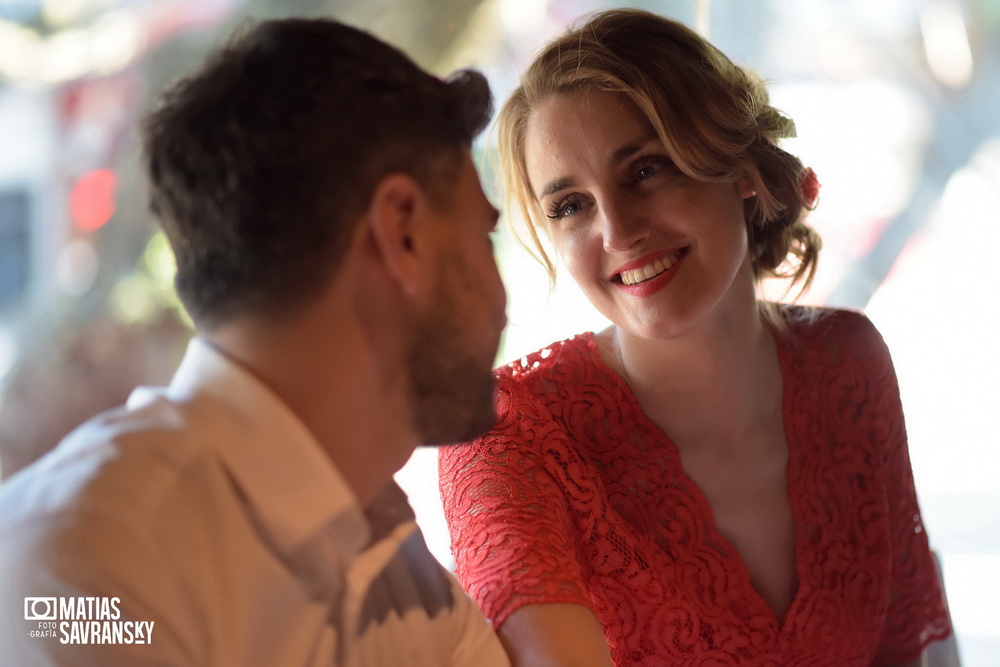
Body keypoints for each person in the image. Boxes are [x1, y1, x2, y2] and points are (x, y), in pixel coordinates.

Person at [439, 9, 952, 666]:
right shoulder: (508, 436)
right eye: (571, 205)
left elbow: (901, 651)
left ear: (738, 167)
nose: (619, 231)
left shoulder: (849, 363)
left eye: (646, 170)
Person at [0, 18, 509, 667]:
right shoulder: (86, 564)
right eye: (480, 239)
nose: (501, 298)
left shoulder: (394, 554)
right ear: (401, 232)